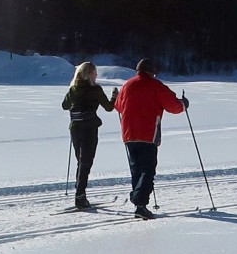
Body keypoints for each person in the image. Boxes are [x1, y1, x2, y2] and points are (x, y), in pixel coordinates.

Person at [114, 58, 187, 218]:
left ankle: (139, 204)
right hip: (148, 133)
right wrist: (183, 105)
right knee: (147, 170)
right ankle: (139, 201)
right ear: (151, 71)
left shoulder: (127, 85)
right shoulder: (155, 85)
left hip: (129, 133)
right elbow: (173, 106)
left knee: (136, 170)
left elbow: (119, 106)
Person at [61, 61, 117, 210]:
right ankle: (80, 195)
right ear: (89, 74)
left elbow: (64, 106)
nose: (96, 75)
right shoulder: (96, 89)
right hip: (89, 127)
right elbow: (109, 108)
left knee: (80, 161)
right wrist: (114, 96)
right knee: (86, 161)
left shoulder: (73, 89)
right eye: (94, 72)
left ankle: (80, 188)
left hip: (75, 128)